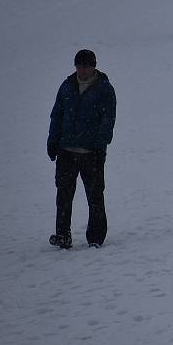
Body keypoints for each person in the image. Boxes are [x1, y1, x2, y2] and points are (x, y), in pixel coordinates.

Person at [47, 49, 116, 249]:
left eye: (86, 66)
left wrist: (100, 144)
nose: (82, 70)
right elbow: (57, 115)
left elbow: (108, 119)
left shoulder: (104, 88)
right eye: (79, 66)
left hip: (91, 153)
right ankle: (63, 235)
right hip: (66, 151)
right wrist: (53, 141)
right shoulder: (67, 86)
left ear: (93, 67)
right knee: (64, 196)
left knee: (95, 196)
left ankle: (95, 237)